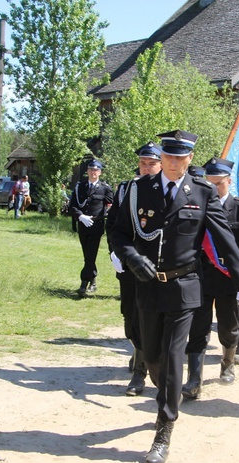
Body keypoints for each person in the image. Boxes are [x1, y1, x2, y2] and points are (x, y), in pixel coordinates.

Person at [111, 130, 239, 463]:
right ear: (160, 157)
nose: (174, 163)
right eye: (168, 157)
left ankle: (164, 429)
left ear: (190, 159)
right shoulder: (136, 191)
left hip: (184, 289)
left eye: (181, 157)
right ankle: (165, 393)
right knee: (152, 358)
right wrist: (132, 256)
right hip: (148, 287)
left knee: (174, 356)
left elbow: (228, 246)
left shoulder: (202, 193)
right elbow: (117, 231)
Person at [182, 156, 239, 398]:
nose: (214, 188)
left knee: (228, 327)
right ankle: (194, 379)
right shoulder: (197, 203)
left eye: (219, 184)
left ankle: (228, 363)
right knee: (198, 328)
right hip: (201, 277)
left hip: (228, 279)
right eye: (210, 183)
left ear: (229, 181)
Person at [106, 142, 162, 396]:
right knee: (130, 318)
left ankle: (141, 371)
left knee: (145, 317)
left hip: (155, 266)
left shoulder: (167, 190)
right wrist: (114, 253)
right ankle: (139, 350)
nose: (147, 168)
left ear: (161, 164)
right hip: (129, 263)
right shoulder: (127, 189)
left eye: (152, 163)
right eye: (143, 163)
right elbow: (114, 224)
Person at [70, 159, 113, 298]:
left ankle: (84, 283)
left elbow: (111, 205)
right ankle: (93, 280)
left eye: (96, 170)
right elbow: (73, 206)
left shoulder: (105, 188)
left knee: (91, 254)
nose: (93, 172)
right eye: (91, 170)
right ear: (87, 172)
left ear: (100, 172)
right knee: (87, 255)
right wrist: (80, 216)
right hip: (83, 223)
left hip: (96, 225)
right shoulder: (80, 187)